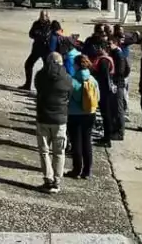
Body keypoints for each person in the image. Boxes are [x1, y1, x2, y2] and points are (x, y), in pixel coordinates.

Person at [33, 51, 72, 194]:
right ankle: (57, 180)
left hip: (43, 117)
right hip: (60, 119)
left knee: (44, 151)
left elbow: (38, 89)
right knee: (59, 152)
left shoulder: (40, 75)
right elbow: (69, 95)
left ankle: (48, 178)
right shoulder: (67, 78)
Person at [66, 55, 99, 180]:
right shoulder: (92, 80)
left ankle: (76, 169)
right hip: (90, 114)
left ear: (77, 65)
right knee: (87, 141)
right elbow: (98, 97)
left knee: (76, 142)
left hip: (75, 114)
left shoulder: (72, 80)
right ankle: (87, 171)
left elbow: (68, 98)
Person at [20, 10, 53, 91]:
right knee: (28, 64)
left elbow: (46, 36)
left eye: (44, 16)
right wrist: (38, 35)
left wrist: (38, 34)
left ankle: (47, 88)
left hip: (46, 50)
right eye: (41, 15)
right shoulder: (36, 23)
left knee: (48, 68)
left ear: (47, 16)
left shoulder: (50, 25)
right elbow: (31, 34)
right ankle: (27, 85)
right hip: (36, 49)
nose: (42, 17)